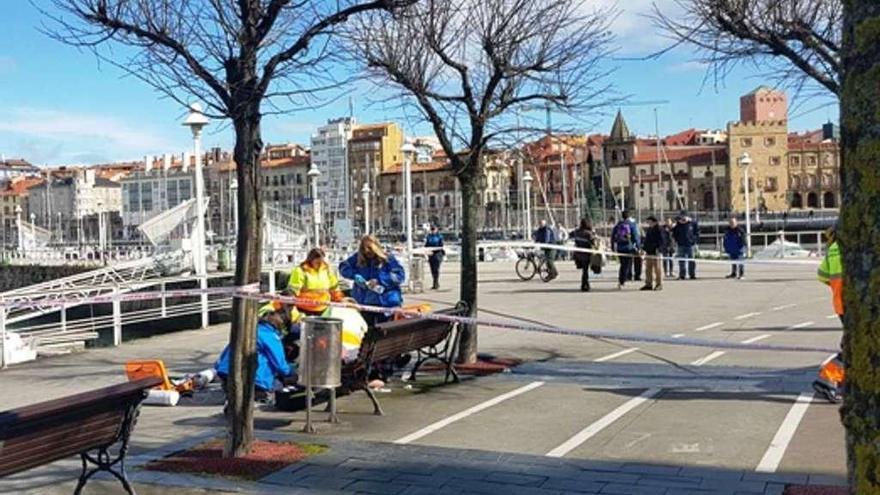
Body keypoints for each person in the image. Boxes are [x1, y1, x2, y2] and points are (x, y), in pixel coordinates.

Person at [215, 301, 295, 402]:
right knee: (281, 383)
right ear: (281, 324)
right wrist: (292, 371)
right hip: (253, 380)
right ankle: (256, 396)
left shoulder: (249, 330)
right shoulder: (270, 336)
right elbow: (280, 365)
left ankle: (235, 397)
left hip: (226, 373)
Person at [339, 235, 406, 327]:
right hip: (364, 303)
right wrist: (354, 275)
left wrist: (380, 280)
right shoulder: (357, 258)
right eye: (363, 248)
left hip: (386, 303)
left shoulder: (388, 259)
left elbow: (400, 276)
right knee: (365, 330)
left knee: (385, 330)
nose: (366, 251)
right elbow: (343, 267)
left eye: (369, 248)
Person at [813, 226, 844, 403]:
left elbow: (822, 275)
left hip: (841, 303)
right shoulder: (855, 246)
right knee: (854, 346)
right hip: (855, 303)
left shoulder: (833, 248)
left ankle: (840, 380)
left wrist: (836, 288)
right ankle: (827, 378)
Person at [287, 248, 344, 316]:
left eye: (321, 262)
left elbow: (334, 288)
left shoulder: (327, 270)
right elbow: (293, 291)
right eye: (317, 262)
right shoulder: (300, 271)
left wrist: (340, 300)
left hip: (323, 308)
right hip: (304, 309)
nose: (320, 265)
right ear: (311, 260)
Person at [612, 212, 637, 290]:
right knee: (627, 264)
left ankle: (622, 279)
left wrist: (613, 247)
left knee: (623, 264)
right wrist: (638, 246)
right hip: (628, 247)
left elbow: (613, 236)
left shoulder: (618, 225)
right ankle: (623, 280)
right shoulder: (631, 224)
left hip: (620, 247)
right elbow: (635, 236)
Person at [570, 218, 596, 292]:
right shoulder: (588, 233)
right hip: (586, 254)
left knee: (584, 270)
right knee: (585, 270)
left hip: (578, 254)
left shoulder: (577, 232)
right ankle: (585, 284)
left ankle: (585, 284)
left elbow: (570, 235)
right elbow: (593, 243)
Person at [640, 216, 664, 291]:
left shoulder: (659, 229)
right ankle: (648, 284)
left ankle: (659, 284)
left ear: (654, 221)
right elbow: (646, 241)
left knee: (658, 269)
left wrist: (659, 249)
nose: (648, 223)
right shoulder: (649, 229)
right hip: (649, 252)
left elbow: (662, 241)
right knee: (648, 269)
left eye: (649, 222)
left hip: (656, 252)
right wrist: (643, 249)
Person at [672, 213, 698, 280]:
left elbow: (697, 232)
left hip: (690, 245)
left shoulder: (692, 223)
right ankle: (682, 275)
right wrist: (677, 240)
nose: (683, 219)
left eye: (684, 217)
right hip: (681, 245)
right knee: (681, 261)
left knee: (691, 260)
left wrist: (694, 240)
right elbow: (674, 233)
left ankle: (692, 274)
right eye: (682, 217)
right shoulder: (678, 225)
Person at [626, 212, 643, 281]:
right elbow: (636, 235)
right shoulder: (633, 224)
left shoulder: (621, 223)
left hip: (626, 245)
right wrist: (639, 246)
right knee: (638, 261)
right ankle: (637, 275)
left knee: (629, 261)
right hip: (634, 245)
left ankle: (628, 275)